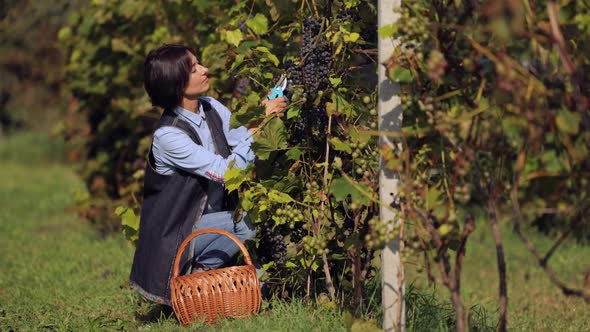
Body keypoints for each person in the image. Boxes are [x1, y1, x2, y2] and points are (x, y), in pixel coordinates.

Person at [129, 44, 287, 305]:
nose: (204, 70)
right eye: (194, 69)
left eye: (199, 63)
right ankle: (201, 281)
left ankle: (210, 283)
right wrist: (261, 126)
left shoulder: (210, 106)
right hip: (178, 232)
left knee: (254, 257)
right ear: (176, 82)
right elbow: (227, 171)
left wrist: (261, 114)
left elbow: (239, 139)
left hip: (212, 220)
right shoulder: (168, 136)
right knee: (246, 224)